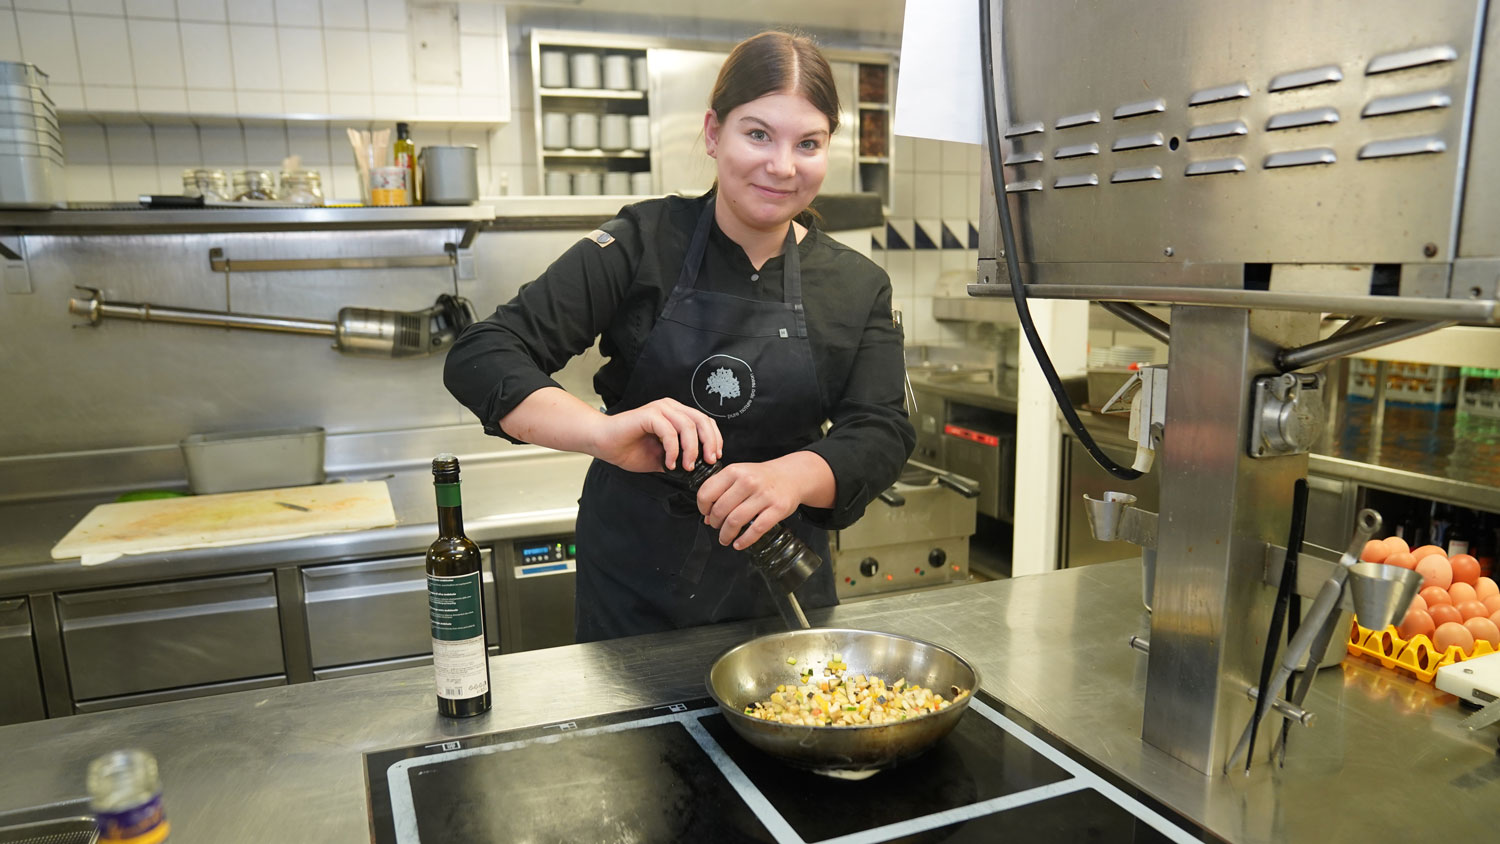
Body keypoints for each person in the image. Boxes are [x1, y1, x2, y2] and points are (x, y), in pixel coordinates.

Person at [444, 30, 914, 642]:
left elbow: (883, 428)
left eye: (809, 143)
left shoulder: (857, 285)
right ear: (714, 133)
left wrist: (792, 476)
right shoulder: (642, 243)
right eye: (758, 134)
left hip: (782, 589)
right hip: (636, 590)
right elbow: (483, 354)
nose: (782, 165)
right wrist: (603, 434)